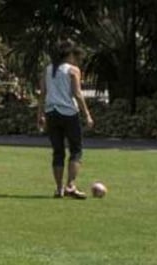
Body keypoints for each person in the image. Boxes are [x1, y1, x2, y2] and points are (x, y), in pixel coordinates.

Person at [39, 40, 93, 198]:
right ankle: (70, 185)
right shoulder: (73, 70)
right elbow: (77, 94)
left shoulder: (48, 69)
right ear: (69, 55)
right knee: (76, 150)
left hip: (51, 112)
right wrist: (87, 114)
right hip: (69, 113)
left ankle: (59, 188)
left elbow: (42, 94)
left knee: (58, 152)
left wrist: (40, 114)